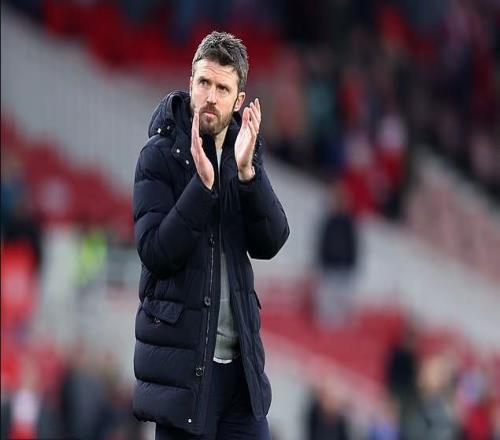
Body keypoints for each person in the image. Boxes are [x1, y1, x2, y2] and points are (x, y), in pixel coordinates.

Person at [132, 31, 289, 439]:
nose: (210, 97)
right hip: (185, 376)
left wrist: (249, 175)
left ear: (239, 100)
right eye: (204, 82)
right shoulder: (159, 155)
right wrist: (201, 189)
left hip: (240, 375)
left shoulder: (244, 151)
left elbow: (271, 241)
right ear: (190, 83)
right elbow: (154, 251)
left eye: (222, 88)